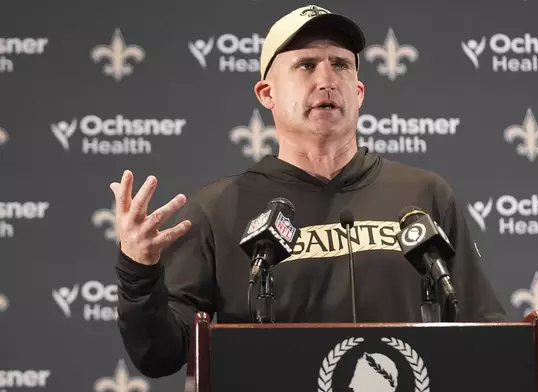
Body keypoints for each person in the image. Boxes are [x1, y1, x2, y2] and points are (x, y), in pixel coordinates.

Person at [111, 4, 507, 379]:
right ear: (267, 93)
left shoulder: (424, 196)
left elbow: (488, 333)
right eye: (305, 65)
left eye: (340, 64)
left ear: (360, 92)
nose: (326, 79)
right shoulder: (218, 209)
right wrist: (138, 270)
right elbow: (160, 355)